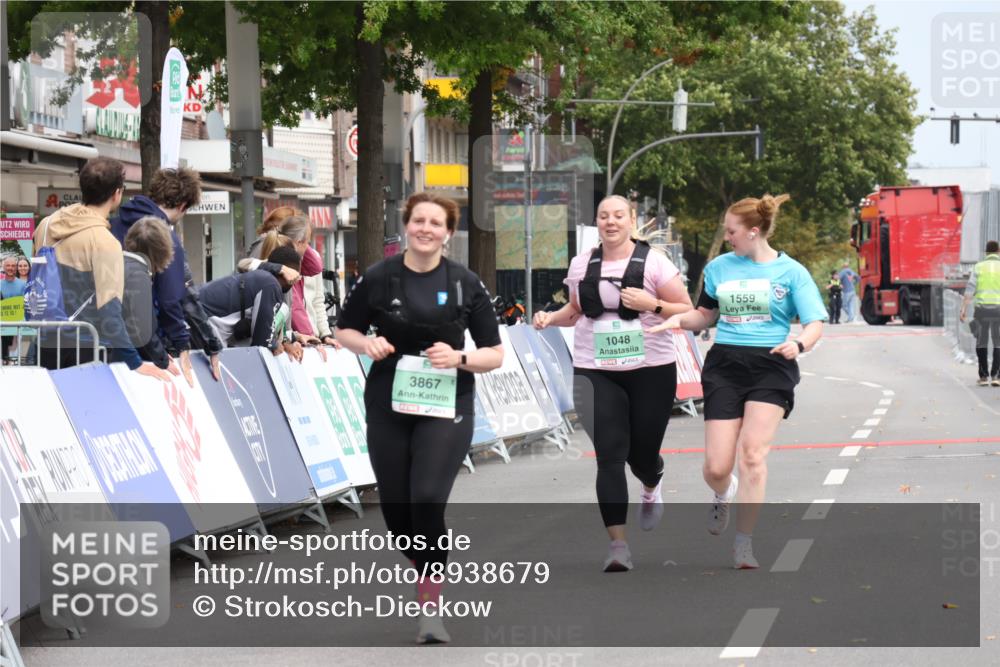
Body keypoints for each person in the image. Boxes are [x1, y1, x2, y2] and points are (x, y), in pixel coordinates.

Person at [334, 192, 503, 644]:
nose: (425, 229)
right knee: (396, 512)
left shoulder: (465, 281)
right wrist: (365, 344)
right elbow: (343, 329)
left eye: (436, 223)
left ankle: (430, 606)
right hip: (389, 402)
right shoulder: (378, 276)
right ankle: (425, 563)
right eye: (418, 221)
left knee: (427, 497)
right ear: (407, 225)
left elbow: (495, 353)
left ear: (448, 233)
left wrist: (461, 356)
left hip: (446, 404)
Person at [648, 194, 826, 569]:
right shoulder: (718, 269)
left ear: (753, 232)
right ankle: (723, 491)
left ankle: (743, 543)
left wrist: (798, 343)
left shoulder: (791, 272)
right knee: (716, 467)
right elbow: (704, 316)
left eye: (732, 231)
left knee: (753, 456)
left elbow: (814, 323)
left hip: (772, 364)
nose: (727, 236)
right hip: (725, 364)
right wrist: (676, 322)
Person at [533, 195, 693, 572]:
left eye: (619, 215)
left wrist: (651, 305)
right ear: (597, 222)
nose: (611, 222)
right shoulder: (581, 263)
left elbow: (687, 309)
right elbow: (575, 310)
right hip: (595, 368)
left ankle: (651, 482)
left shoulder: (654, 261)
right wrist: (548, 318)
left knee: (642, 454)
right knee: (609, 456)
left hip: (651, 368)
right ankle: (618, 546)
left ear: (631, 219)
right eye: (604, 216)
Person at [31, 157, 158, 375]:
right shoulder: (104, 242)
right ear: (117, 194)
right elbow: (110, 310)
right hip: (86, 349)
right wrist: (135, 362)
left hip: (44, 342)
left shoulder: (47, 225)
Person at [110, 167, 222, 384]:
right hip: (144, 342)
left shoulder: (112, 224)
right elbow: (173, 298)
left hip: (103, 332)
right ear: (182, 206)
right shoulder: (166, 238)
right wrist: (183, 343)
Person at [198, 243, 302, 352]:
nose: (295, 281)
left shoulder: (261, 277)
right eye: (296, 276)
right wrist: (275, 346)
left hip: (198, 317)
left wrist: (291, 337)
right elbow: (262, 342)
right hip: (200, 321)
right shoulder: (270, 285)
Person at [117, 216, 174, 380]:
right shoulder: (137, 274)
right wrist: (162, 359)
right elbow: (142, 327)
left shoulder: (118, 262)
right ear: (161, 251)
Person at [960, 240, 1000, 386]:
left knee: (981, 342)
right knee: (998, 343)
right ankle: (996, 376)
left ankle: (983, 376)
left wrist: (963, 309)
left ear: (986, 252)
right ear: (998, 251)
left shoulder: (979, 267)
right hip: (998, 310)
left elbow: (970, 289)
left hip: (982, 310)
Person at [1, 256, 26, 363]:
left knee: (14, 356)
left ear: (16, 268)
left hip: (18, 325)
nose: (10, 268)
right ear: (3, 267)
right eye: (8, 265)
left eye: (13, 265)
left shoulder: (23, 284)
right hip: (2, 325)